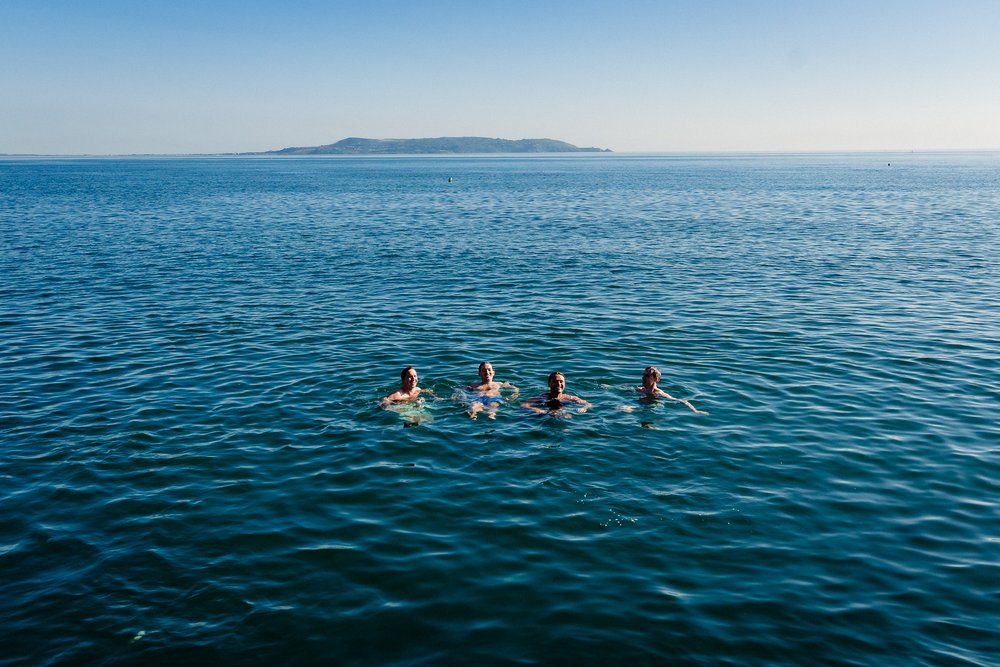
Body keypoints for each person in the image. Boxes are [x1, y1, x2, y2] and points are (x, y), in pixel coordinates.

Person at [634, 365, 708, 414]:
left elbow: (682, 401)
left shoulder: (659, 393)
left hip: (654, 409)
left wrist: (695, 411)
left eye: (647, 375)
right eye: (643, 375)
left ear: (656, 379)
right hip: (643, 407)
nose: (643, 377)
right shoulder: (639, 390)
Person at [523, 372, 592, 415]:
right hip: (545, 414)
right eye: (555, 382)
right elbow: (525, 405)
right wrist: (539, 410)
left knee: (567, 416)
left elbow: (588, 404)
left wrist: (584, 408)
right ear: (549, 384)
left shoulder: (570, 398)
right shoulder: (543, 397)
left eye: (561, 381)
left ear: (565, 383)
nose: (559, 384)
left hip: (562, 414)